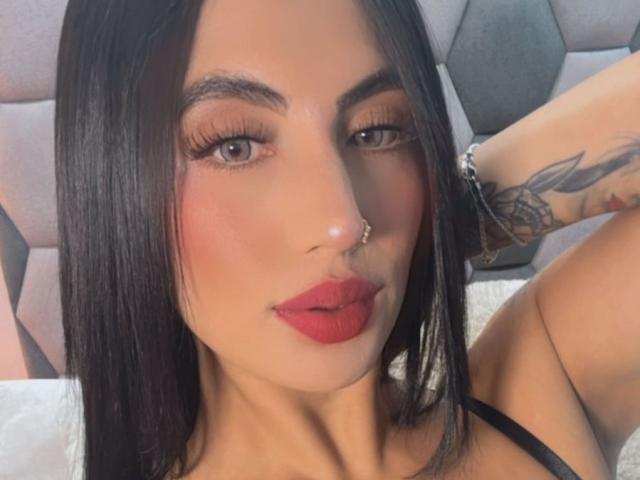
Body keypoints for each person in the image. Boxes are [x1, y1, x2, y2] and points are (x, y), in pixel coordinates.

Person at [53, 0, 640, 478]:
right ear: (115, 187)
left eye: (377, 131)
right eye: (235, 146)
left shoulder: (538, 393)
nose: (342, 222)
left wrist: (440, 222)